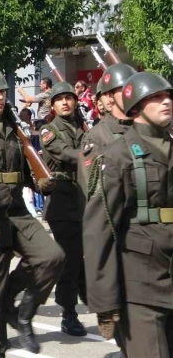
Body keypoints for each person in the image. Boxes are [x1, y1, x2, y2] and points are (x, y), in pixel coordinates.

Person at [0, 68, 64, 357]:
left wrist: (39, 182)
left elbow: (21, 169)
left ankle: (21, 312)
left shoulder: (13, 130)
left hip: (17, 212)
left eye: (2, 92)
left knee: (52, 256)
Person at [85, 71, 173, 358]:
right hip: (139, 282)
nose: (166, 101)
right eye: (156, 97)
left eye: (168, 95)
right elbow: (99, 230)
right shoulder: (117, 156)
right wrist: (104, 301)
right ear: (135, 105)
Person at [79, 63, 137, 357]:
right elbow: (93, 197)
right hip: (119, 236)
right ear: (108, 98)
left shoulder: (148, 131)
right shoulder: (97, 137)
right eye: (121, 89)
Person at [38, 82, 88, 337]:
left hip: (84, 201)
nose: (65, 102)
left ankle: (88, 295)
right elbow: (66, 154)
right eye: (60, 99)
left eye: (69, 98)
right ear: (53, 104)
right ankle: (69, 313)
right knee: (70, 258)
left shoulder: (81, 128)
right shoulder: (48, 130)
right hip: (62, 201)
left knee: (85, 256)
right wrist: (90, 154)